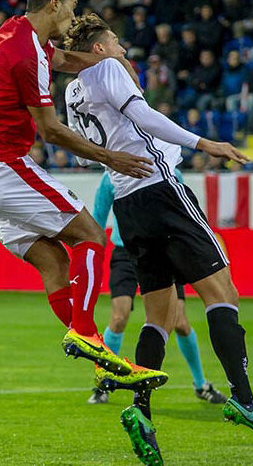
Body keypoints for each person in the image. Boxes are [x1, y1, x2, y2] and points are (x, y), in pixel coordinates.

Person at [63, 13, 253, 466]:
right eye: (117, 43)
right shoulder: (107, 69)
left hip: (129, 207)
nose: (125, 50)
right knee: (223, 293)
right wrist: (207, 145)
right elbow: (142, 115)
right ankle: (243, 398)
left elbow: (84, 148)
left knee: (158, 315)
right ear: (100, 49)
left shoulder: (72, 92)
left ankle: (141, 412)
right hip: (161, 190)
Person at [0, 0, 166, 394]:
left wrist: (107, 62)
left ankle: (102, 363)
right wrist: (111, 156)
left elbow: (62, 59)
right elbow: (51, 131)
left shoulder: (13, 32)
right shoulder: (26, 54)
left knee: (55, 263)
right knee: (90, 234)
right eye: (71, 8)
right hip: (1, 168)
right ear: (53, 4)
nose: (74, 16)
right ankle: (87, 334)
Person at [83, 171, 226, 406]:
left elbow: (184, 212)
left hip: (164, 252)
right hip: (125, 252)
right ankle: (102, 383)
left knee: (180, 322)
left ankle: (201, 385)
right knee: (118, 318)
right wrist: (91, 260)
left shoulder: (170, 171)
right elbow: (98, 218)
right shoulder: (110, 177)